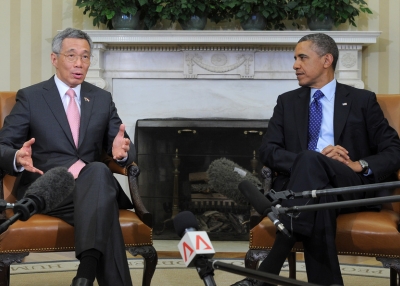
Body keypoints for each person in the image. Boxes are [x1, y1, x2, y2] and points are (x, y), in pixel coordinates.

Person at [232, 33, 400, 286]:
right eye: (295, 58)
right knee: (317, 188)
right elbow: (269, 150)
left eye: (302, 57)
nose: (295, 65)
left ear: (326, 60)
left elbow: (393, 150)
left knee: (313, 172)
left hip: (348, 183)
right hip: (305, 190)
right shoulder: (287, 102)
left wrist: (358, 165)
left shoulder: (362, 101)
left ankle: (276, 256)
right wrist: (309, 160)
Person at [0, 28, 136, 286]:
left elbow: (126, 146)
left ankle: (84, 275)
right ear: (54, 59)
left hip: (92, 186)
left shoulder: (101, 99)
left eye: (85, 57)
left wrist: (122, 153)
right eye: (71, 55)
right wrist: (17, 157)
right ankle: (87, 270)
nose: (79, 63)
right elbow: (2, 145)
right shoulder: (31, 97)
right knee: (103, 205)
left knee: (97, 171)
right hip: (50, 189)